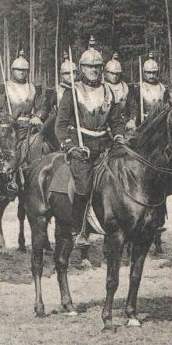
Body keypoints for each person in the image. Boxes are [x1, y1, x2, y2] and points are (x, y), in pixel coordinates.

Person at [56, 41, 127, 248]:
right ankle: (77, 230)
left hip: (104, 145)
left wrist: (120, 136)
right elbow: (60, 125)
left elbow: (116, 121)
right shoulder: (72, 91)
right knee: (84, 185)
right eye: (89, 67)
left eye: (97, 67)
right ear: (82, 68)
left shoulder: (109, 92)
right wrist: (70, 146)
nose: (93, 70)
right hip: (82, 147)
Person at [0, 49, 47, 143]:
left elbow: (41, 107)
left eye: (24, 70)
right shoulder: (5, 87)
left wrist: (37, 117)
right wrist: (8, 119)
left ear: (27, 71)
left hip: (30, 126)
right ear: (12, 70)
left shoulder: (33, 88)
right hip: (10, 126)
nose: (21, 72)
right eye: (18, 70)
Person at [124, 51, 170, 130]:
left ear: (157, 73)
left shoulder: (163, 89)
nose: (151, 75)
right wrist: (133, 120)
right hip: (143, 124)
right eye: (149, 73)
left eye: (154, 73)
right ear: (144, 73)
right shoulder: (138, 88)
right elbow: (133, 107)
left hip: (160, 124)